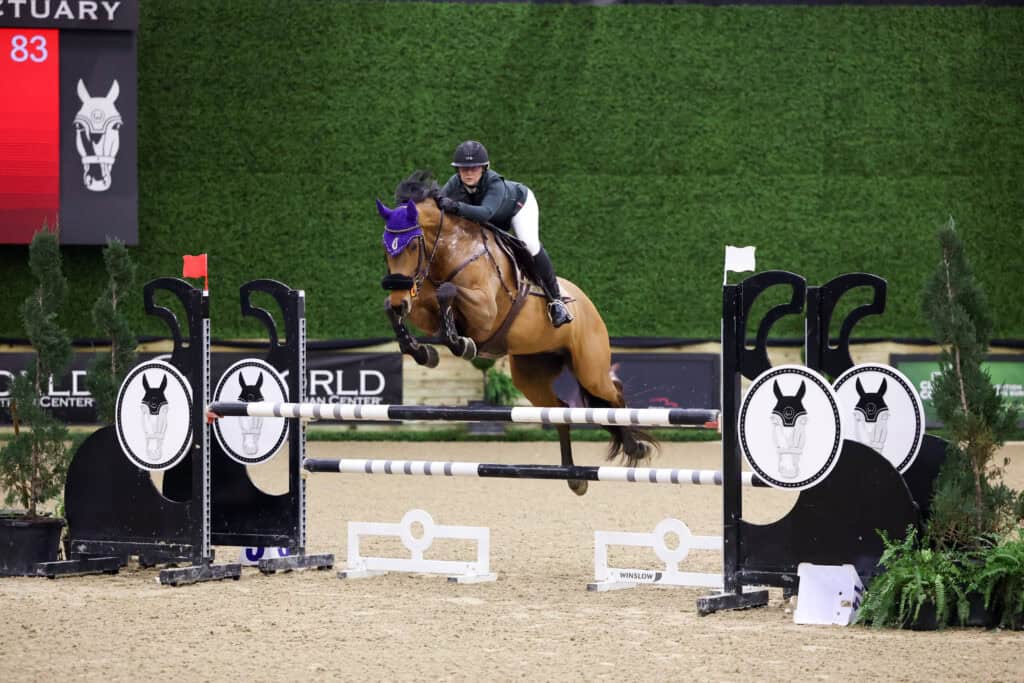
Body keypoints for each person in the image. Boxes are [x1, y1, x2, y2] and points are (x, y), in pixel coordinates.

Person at [436, 140, 573, 328]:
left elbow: (486, 213)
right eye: (463, 168)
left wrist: (455, 206)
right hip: (488, 221)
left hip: (518, 207)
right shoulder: (454, 183)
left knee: (530, 244)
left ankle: (556, 302)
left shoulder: (494, 183)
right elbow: (438, 206)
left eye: (473, 168)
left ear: (484, 168)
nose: (468, 173)